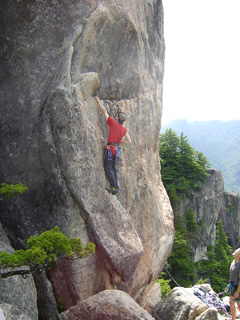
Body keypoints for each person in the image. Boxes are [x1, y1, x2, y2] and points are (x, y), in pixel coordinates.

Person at [96, 96, 131, 195]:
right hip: (116, 150)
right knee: (113, 168)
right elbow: (129, 141)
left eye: (117, 115)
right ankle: (116, 186)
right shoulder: (124, 130)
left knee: (108, 168)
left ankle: (114, 187)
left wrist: (98, 102)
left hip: (110, 149)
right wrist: (121, 142)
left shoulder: (113, 124)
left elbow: (104, 112)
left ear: (117, 118)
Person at [229, 248, 240, 320]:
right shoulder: (233, 261)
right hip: (232, 285)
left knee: (239, 304)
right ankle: (233, 318)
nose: (234, 251)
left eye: (237, 251)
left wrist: (237, 292)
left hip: (238, 286)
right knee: (231, 302)